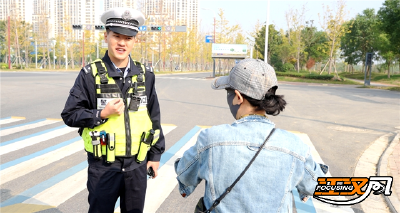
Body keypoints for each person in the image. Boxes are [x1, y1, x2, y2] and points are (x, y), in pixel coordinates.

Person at [174, 59, 328, 213]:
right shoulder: (294, 146)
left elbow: (185, 175)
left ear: (238, 97)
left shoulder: (210, 139)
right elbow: (317, 184)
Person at [61, 7, 165, 213]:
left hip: (137, 164)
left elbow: (153, 116)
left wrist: (155, 155)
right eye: (116, 36)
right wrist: (100, 114)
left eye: (128, 38)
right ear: (106, 36)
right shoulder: (89, 74)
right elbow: (70, 114)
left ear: (135, 41)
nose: (122, 43)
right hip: (103, 167)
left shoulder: (146, 75)